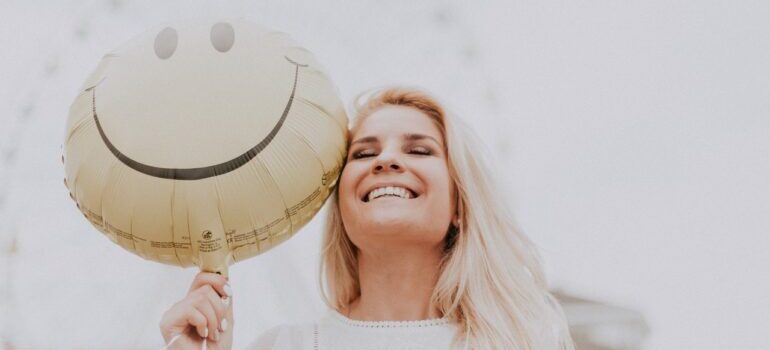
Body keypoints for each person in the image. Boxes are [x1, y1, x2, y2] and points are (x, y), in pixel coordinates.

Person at [159, 87, 576, 349]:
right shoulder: (283, 345)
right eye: (364, 153)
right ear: (341, 205)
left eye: (419, 150)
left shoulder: (525, 343)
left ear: (460, 207)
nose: (387, 160)